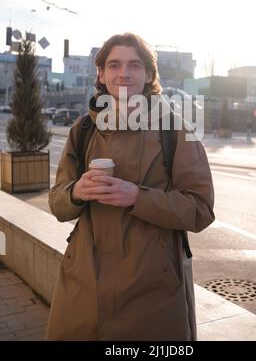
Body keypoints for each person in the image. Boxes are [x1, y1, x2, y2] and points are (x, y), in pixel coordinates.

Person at [45, 33, 215, 341]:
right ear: (101, 73)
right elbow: (56, 202)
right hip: (83, 287)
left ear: (149, 74)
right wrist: (76, 192)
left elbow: (201, 209)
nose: (124, 73)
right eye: (114, 65)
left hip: (153, 291)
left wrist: (138, 197)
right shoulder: (82, 129)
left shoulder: (176, 129)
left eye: (134, 65)